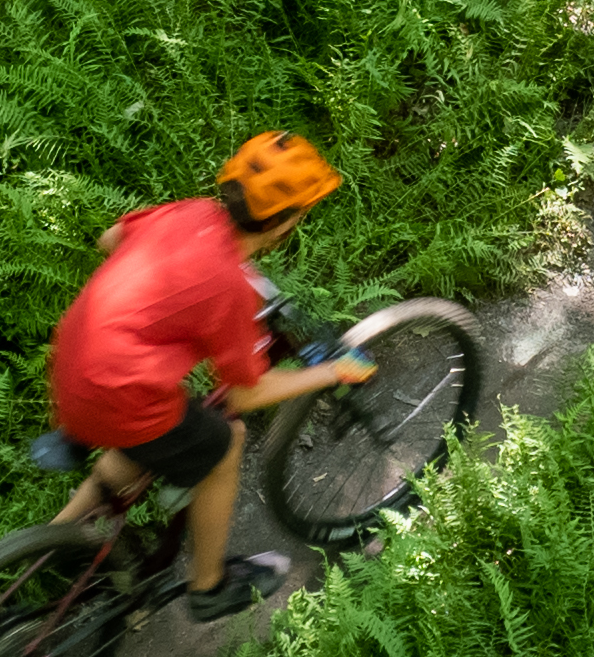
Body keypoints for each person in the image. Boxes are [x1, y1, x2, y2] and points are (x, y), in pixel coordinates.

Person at [44, 130, 377, 624]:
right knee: (224, 441)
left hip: (71, 364)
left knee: (154, 430)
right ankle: (209, 587)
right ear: (285, 222)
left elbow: (109, 239)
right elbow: (245, 394)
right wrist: (332, 370)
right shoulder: (226, 287)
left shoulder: (190, 213)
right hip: (119, 395)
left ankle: (54, 547)